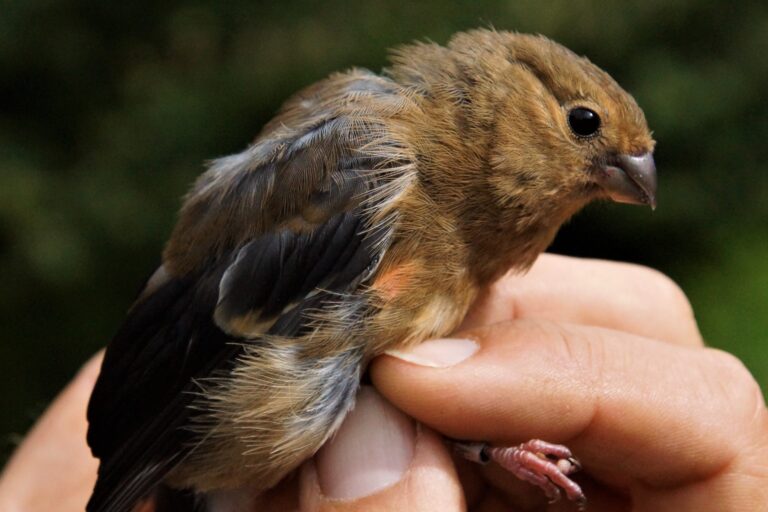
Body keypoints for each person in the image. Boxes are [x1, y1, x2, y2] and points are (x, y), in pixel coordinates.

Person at [1, 254, 766, 511]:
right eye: (583, 126)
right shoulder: (381, 173)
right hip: (205, 444)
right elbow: (368, 384)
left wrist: (486, 449)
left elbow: (381, 382)